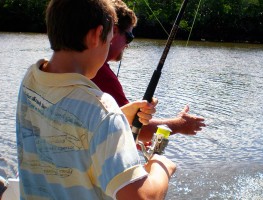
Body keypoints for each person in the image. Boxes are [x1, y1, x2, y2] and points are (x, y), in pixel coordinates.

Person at [16, 0, 176, 199]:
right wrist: (161, 167)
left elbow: (64, 124)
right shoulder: (102, 111)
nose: (110, 47)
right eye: (109, 41)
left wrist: (120, 116)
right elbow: (142, 197)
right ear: (95, 36)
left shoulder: (31, 79)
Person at [92, 0, 206, 142]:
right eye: (129, 37)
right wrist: (180, 124)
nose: (127, 45)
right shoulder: (101, 74)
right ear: (113, 31)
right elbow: (137, 129)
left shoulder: (87, 67)